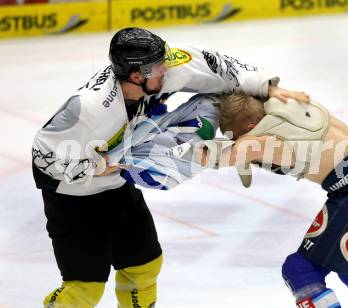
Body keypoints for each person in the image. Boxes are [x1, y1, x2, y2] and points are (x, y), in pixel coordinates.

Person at [31, 26, 309, 307]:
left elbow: (212, 64)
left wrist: (265, 86)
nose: (167, 69)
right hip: (73, 199)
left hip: (117, 183)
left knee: (144, 267)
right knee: (83, 292)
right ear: (137, 75)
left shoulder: (159, 70)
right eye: (159, 67)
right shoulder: (89, 107)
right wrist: (92, 167)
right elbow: (43, 155)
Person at [212, 94, 348, 307]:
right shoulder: (290, 102)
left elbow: (207, 157)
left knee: (300, 271)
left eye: (235, 137)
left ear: (251, 127)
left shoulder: (258, 141)